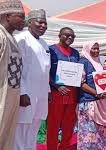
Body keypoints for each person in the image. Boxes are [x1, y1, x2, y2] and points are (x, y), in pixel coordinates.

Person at [13, 9, 50, 150]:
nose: (43, 26)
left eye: (45, 23)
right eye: (39, 22)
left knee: (34, 128)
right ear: (29, 23)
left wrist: (47, 91)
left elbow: (45, 69)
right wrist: (22, 92)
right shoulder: (21, 39)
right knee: (21, 129)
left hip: (40, 94)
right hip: (26, 94)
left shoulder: (44, 43)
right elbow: (15, 68)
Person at [48, 27, 80, 150]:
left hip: (72, 94)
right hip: (57, 94)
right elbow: (45, 72)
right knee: (54, 124)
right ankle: (51, 147)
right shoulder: (51, 50)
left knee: (69, 124)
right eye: (66, 35)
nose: (70, 38)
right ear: (59, 35)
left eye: (72, 36)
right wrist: (57, 85)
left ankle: (64, 147)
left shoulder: (75, 53)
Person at [77, 41, 106, 149]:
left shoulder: (98, 63)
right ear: (87, 49)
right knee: (89, 130)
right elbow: (81, 83)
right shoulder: (83, 62)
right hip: (89, 102)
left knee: (100, 130)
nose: (96, 51)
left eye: (97, 49)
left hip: (101, 101)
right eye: (93, 48)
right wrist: (96, 93)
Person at [0, 0, 25, 149]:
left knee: (6, 135)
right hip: (2, 95)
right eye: (20, 16)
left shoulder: (11, 38)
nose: (24, 20)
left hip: (11, 95)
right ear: (8, 16)